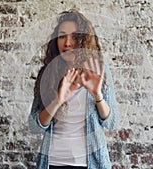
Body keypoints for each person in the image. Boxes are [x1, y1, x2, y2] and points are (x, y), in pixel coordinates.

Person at [29, 9, 120, 169]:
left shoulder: (99, 70)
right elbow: (34, 126)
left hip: (91, 164)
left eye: (75, 36)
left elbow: (112, 123)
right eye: (62, 36)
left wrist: (97, 95)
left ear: (84, 40)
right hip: (53, 163)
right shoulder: (48, 73)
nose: (68, 43)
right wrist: (58, 100)